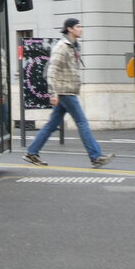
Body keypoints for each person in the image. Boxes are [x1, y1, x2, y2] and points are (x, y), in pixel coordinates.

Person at [23, 18, 114, 168]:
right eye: (78, 26)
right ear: (69, 29)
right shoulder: (62, 47)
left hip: (68, 90)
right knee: (82, 122)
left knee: (52, 124)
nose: (81, 29)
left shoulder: (74, 46)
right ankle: (95, 156)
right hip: (64, 92)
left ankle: (32, 152)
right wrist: (52, 93)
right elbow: (52, 70)